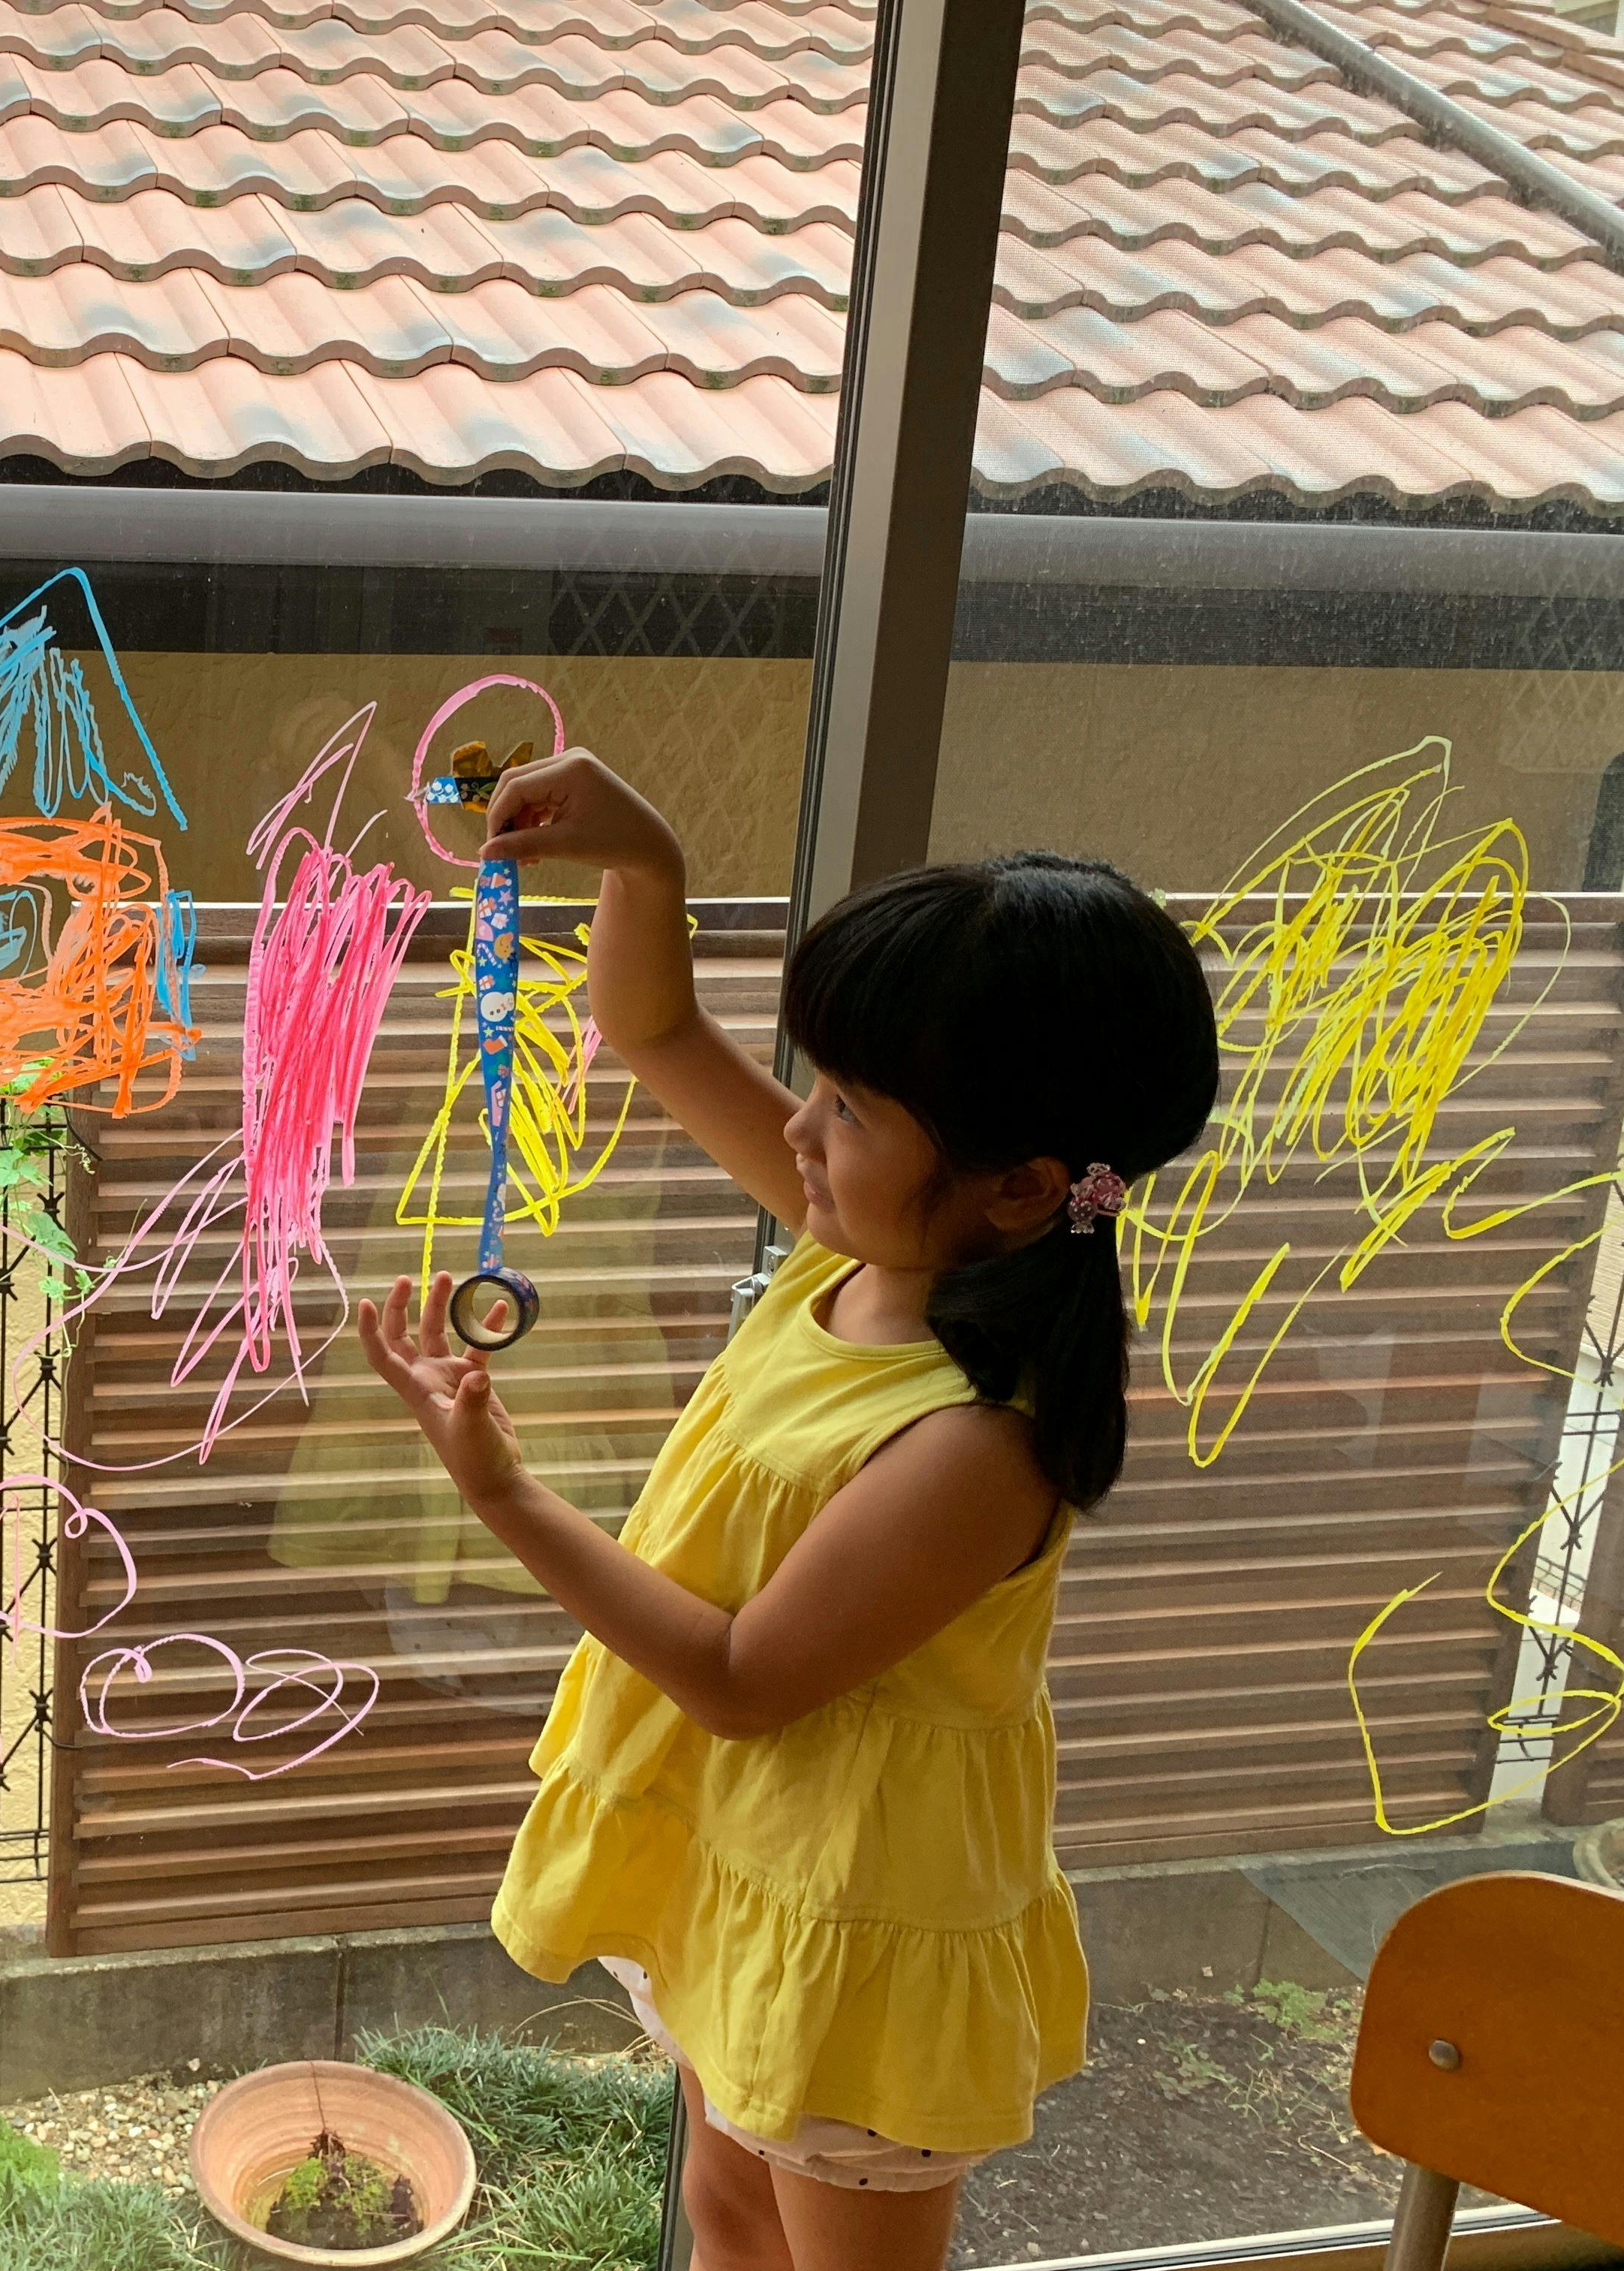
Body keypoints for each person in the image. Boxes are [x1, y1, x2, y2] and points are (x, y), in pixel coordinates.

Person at [357, 751, 1220, 2271]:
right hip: (754, 1866)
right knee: (729, 2209)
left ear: (1024, 1187)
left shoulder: (978, 1440)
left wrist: (504, 1494)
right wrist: (648, 864)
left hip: (862, 1924)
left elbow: (742, 1678)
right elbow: (657, 1029)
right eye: (815, 1088)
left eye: (851, 1109)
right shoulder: (866, 1251)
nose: (803, 1133)